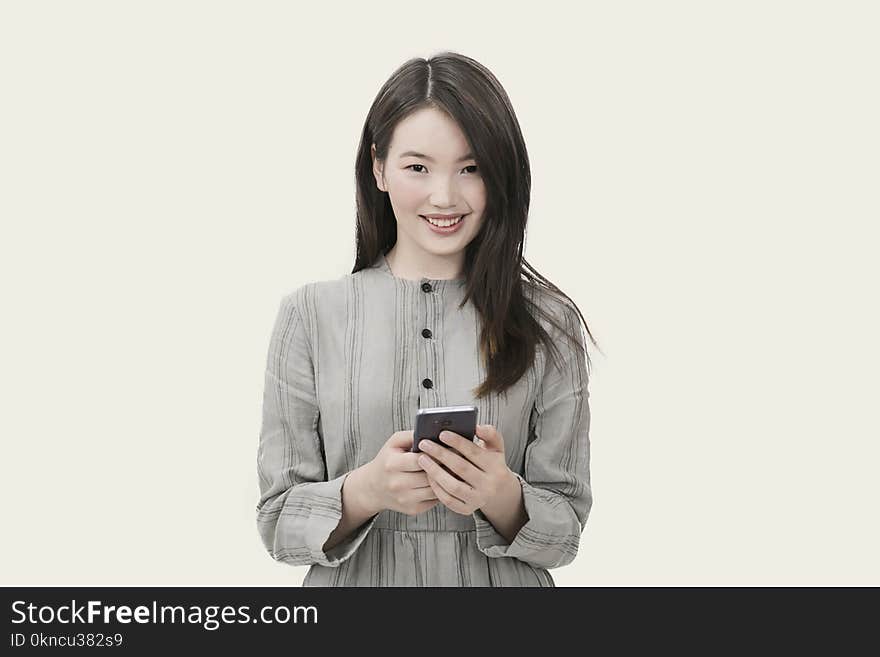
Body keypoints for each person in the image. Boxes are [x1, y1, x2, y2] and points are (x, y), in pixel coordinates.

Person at [256, 51, 600, 586]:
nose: (445, 197)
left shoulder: (550, 323)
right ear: (379, 168)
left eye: (472, 168)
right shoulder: (309, 313)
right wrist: (366, 491)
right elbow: (276, 523)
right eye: (418, 167)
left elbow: (567, 532)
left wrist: (500, 495)